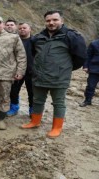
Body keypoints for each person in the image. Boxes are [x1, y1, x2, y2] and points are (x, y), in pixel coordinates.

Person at [21, 10, 87, 138]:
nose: (51, 23)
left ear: (62, 20)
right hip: (39, 76)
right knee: (37, 100)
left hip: (59, 77)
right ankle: (35, 121)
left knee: (58, 103)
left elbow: (80, 57)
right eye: (48, 20)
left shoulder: (72, 36)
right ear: (45, 22)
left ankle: (56, 127)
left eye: (55, 20)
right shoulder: (39, 37)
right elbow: (35, 54)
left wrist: (63, 68)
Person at [7, 22, 34, 116]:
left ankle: (32, 110)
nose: (22, 29)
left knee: (32, 92)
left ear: (30, 29)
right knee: (13, 90)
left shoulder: (35, 41)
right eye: (20, 28)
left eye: (24, 28)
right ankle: (14, 107)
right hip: (17, 70)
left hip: (31, 71)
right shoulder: (15, 40)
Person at [79, 38, 99, 107]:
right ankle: (87, 100)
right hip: (94, 69)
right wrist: (85, 66)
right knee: (90, 86)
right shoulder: (94, 43)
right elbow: (88, 55)